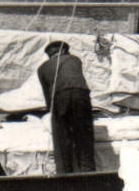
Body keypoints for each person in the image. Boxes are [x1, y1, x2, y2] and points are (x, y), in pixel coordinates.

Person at [36, 41, 97, 175]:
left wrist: (51, 112)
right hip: (81, 95)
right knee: (84, 134)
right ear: (64, 51)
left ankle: (64, 173)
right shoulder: (75, 60)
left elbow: (48, 96)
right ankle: (88, 172)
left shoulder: (42, 69)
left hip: (58, 97)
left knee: (61, 135)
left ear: (49, 55)